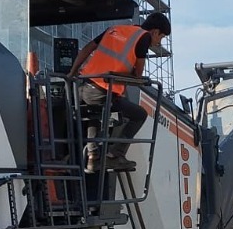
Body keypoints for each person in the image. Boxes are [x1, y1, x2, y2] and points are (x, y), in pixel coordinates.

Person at [72, 10, 170, 173]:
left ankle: (93, 158)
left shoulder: (115, 29)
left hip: (83, 87)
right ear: (155, 32)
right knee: (139, 114)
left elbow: (88, 48)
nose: (158, 42)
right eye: (161, 37)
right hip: (102, 91)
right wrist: (134, 77)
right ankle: (115, 155)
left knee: (95, 112)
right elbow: (137, 76)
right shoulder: (144, 37)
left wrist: (72, 72)